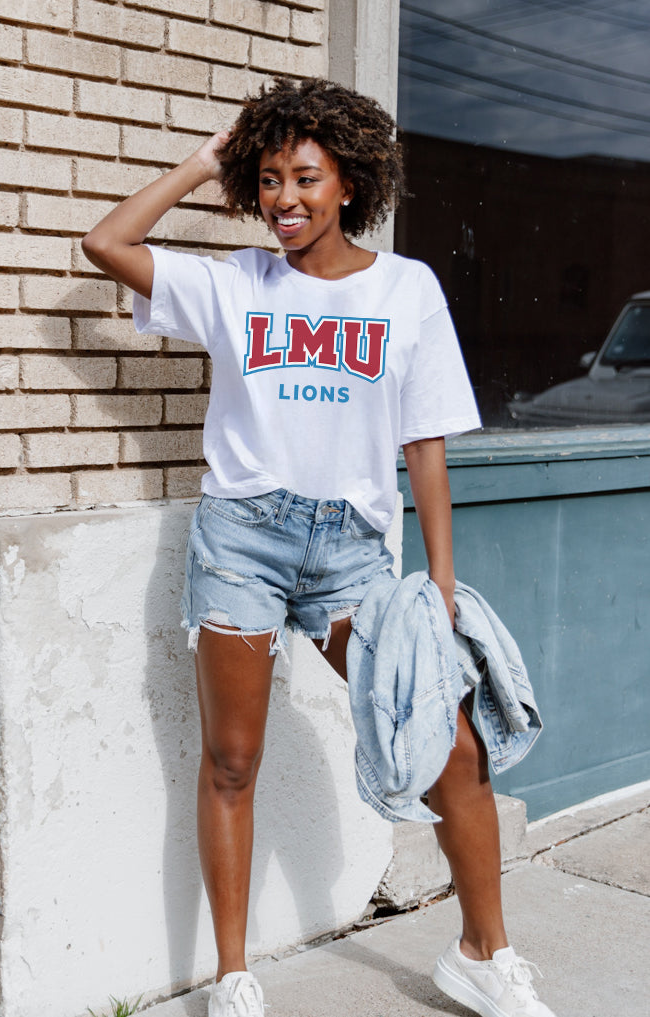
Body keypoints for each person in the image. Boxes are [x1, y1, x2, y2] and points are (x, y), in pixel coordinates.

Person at [82, 77, 557, 1017]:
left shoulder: (406, 288)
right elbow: (106, 243)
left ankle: (483, 951)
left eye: (306, 176)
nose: (284, 199)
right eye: (265, 178)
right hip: (243, 541)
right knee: (231, 758)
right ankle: (232, 977)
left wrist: (441, 585)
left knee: (450, 743)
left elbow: (424, 444)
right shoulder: (234, 285)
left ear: (352, 182)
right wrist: (203, 161)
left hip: (352, 552)